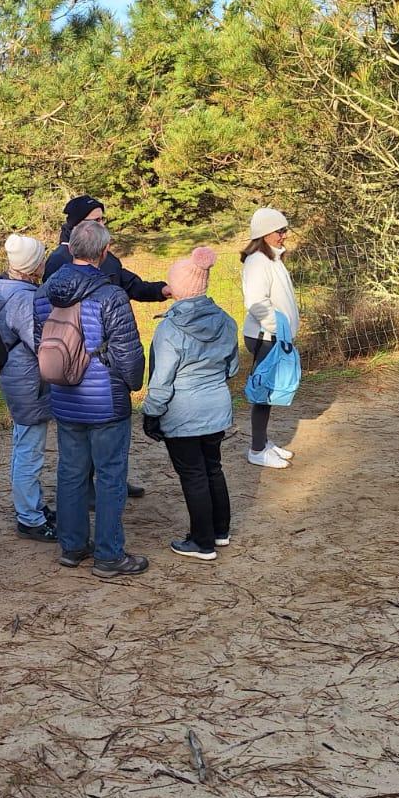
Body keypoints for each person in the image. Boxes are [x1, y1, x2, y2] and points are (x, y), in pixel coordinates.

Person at [35, 219, 148, 579]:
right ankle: (109, 555)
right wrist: (130, 385)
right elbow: (128, 355)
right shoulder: (111, 295)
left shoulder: (44, 295)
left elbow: (43, 342)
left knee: (70, 472)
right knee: (111, 476)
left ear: (70, 249)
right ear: (104, 251)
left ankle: (72, 547)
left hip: (66, 396)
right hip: (106, 400)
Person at [42, 196, 166, 498]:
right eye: (96, 220)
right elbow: (47, 316)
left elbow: (130, 284)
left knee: (104, 443)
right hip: (78, 363)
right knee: (84, 444)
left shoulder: (108, 259)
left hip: (104, 364)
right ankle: (91, 491)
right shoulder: (59, 261)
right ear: (77, 223)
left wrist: (162, 291)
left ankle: (109, 484)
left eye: (103, 219)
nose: (102, 224)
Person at [142, 247, 240, 561]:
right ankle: (220, 530)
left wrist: (151, 414)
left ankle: (201, 541)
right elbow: (232, 367)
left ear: (177, 288)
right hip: (216, 406)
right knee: (213, 467)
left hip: (183, 411)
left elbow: (161, 381)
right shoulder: (225, 320)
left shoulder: (169, 329)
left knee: (193, 474)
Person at [0, 233, 55, 542]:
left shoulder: (5, 289)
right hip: (28, 380)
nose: (44, 261)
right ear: (30, 265)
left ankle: (31, 506)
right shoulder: (23, 298)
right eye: (40, 257)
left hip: (17, 375)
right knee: (30, 449)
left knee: (24, 443)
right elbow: (39, 341)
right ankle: (30, 517)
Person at [240, 207, 301, 469]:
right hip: (265, 337)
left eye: (284, 229)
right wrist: (278, 329)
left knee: (269, 392)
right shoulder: (257, 261)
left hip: (273, 336)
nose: (285, 235)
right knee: (264, 392)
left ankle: (262, 441)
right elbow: (256, 302)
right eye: (280, 230)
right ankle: (256, 449)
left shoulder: (272, 259)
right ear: (265, 234)